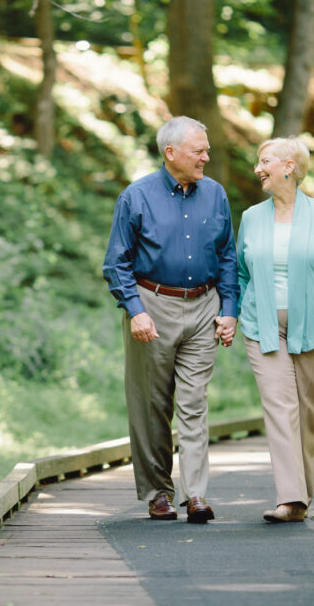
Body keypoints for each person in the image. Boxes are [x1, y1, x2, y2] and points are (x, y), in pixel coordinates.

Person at [102, 116, 239, 524]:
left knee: (194, 403)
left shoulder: (215, 195)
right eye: (199, 150)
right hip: (152, 305)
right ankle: (158, 491)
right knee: (152, 404)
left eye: (206, 150)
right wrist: (135, 309)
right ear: (171, 152)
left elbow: (228, 255)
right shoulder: (136, 196)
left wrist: (229, 309)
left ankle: (195, 494)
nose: (206, 157)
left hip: (203, 307)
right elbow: (116, 263)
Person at [234, 137, 314, 523]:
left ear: (289, 166)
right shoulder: (252, 217)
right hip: (263, 326)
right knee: (279, 406)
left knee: (306, 412)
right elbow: (239, 274)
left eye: (265, 161)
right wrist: (231, 315)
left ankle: (301, 496)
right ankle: (290, 499)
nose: (258, 168)